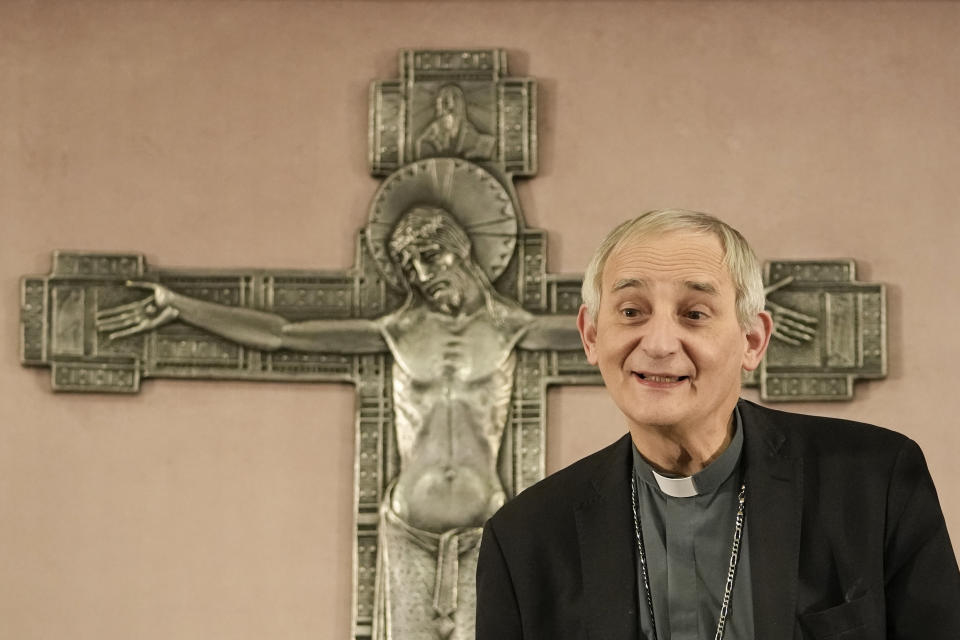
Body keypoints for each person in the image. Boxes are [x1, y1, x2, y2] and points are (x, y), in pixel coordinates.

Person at [97, 205, 579, 640]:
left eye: (428, 256)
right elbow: (280, 334)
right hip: (409, 528)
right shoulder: (397, 332)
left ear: (460, 249)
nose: (420, 274)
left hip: (486, 530)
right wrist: (180, 306)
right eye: (409, 266)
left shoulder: (512, 329)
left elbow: (608, 332)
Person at [475, 209, 960, 640]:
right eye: (631, 312)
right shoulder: (524, 539)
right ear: (591, 336)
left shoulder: (876, 481)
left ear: (752, 340)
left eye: (694, 313)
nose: (660, 343)